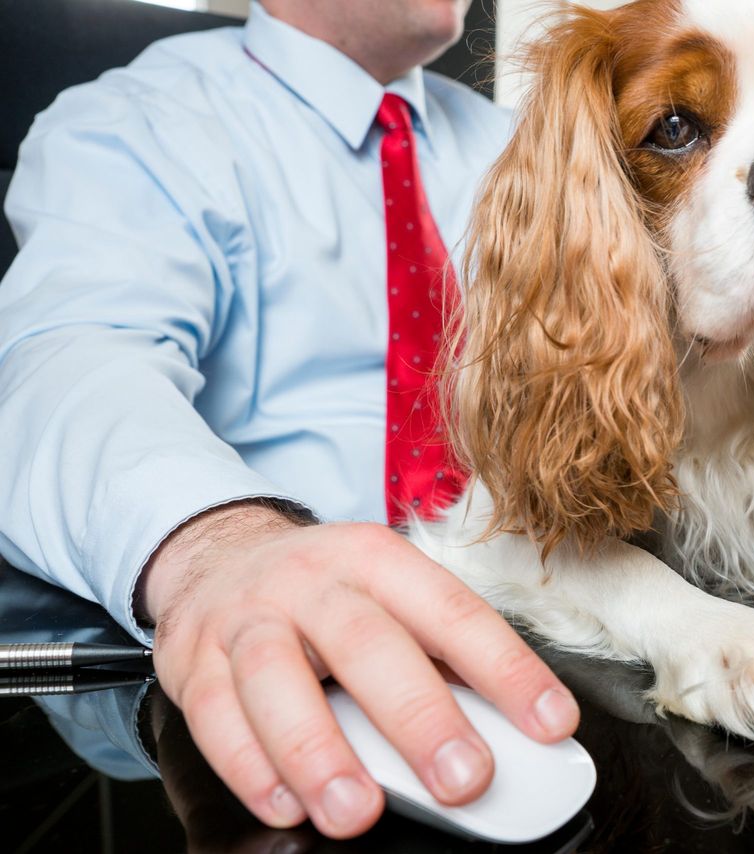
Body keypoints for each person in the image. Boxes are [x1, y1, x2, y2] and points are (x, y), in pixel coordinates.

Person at [0, 0, 580, 840]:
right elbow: (67, 357)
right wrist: (214, 549)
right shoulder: (139, 117)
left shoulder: (523, 148)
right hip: (251, 673)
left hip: (539, 622)